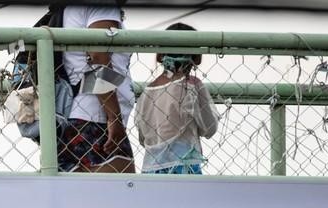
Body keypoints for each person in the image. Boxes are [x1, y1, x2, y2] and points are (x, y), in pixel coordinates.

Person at [58, 5, 137, 173]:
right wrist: (114, 117)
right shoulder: (103, 6)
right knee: (120, 192)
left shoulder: (69, 9)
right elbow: (97, 57)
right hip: (97, 117)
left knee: (80, 196)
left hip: (74, 116)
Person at [132, 23, 219, 174]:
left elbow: (142, 137)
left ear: (160, 55)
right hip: (184, 165)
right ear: (197, 57)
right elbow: (209, 128)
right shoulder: (192, 86)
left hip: (151, 168)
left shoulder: (147, 92)